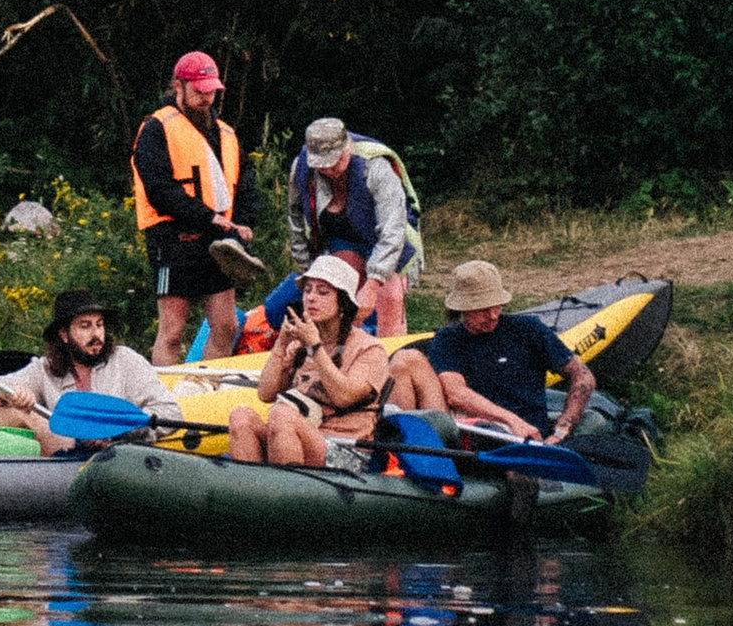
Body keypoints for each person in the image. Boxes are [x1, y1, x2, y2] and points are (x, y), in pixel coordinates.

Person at [237, 254, 450, 468]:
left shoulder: (368, 349)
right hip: (302, 435)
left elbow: (343, 397)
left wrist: (316, 348)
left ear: (343, 303)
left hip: (347, 448)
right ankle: (252, 492)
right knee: (241, 417)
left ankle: (289, 494)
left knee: (283, 416)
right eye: (308, 290)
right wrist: (281, 345)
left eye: (322, 292)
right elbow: (265, 394)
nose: (311, 298)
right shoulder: (298, 346)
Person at [130, 53, 266, 367]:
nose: (205, 96)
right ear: (179, 85)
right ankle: (161, 400)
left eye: (211, 90)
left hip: (219, 242)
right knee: (173, 331)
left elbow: (245, 184)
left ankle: (198, 389)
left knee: (227, 326)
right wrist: (208, 217)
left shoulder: (227, 134)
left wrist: (244, 223)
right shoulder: (156, 127)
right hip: (173, 237)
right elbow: (159, 189)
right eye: (199, 89)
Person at [0, 290, 183, 446]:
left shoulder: (126, 361)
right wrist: (12, 395)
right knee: (14, 414)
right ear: (64, 335)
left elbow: (170, 412)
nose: (96, 335)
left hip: (121, 459)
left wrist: (117, 432)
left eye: (99, 324)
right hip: (67, 460)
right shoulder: (45, 369)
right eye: (85, 326)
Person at [427, 261, 595, 445]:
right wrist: (511, 421)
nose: (492, 315)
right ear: (463, 309)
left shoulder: (527, 329)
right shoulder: (448, 339)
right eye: (483, 309)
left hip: (533, 435)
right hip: (485, 433)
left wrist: (562, 429)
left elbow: (582, 375)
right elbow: (456, 393)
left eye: (497, 306)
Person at [286, 116, 424, 340]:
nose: (330, 170)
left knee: (389, 296)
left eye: (336, 161)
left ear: (347, 147)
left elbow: (393, 230)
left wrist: (373, 284)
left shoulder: (376, 166)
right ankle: (349, 356)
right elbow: (295, 219)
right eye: (323, 165)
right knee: (344, 299)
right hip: (343, 238)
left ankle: (393, 356)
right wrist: (305, 267)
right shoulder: (302, 168)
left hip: (391, 238)